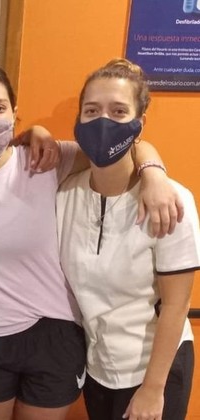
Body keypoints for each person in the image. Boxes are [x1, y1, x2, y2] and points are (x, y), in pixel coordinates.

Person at [0, 64, 182, 420]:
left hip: (53, 332)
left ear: (14, 113)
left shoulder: (46, 159)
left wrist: (154, 174)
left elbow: (124, 147)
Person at [56, 58, 200, 420]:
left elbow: (176, 305)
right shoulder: (64, 195)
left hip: (155, 371)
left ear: (140, 123)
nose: (103, 121)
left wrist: (152, 390)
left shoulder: (171, 201)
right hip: (98, 368)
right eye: (92, 110)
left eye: (119, 111)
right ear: (79, 119)